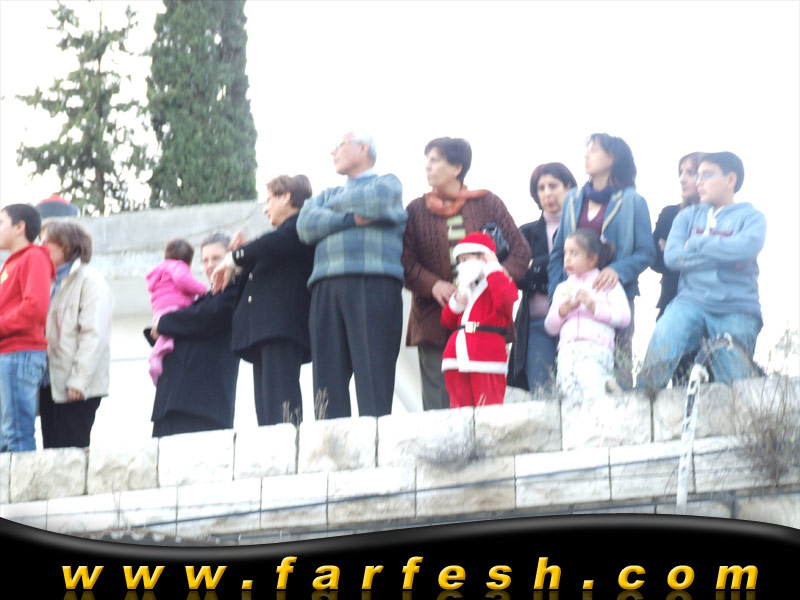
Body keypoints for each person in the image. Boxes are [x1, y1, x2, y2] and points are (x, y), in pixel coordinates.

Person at [402, 137, 531, 410]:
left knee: (486, 403)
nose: (427, 166)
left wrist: (491, 278)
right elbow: (403, 262)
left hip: (486, 321)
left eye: (435, 160)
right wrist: (433, 285)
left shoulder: (488, 203)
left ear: (457, 167)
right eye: (427, 160)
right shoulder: (415, 210)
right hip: (433, 318)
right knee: (439, 406)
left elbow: (521, 252)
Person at [296, 132, 408, 419]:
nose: (332, 152)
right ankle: (332, 442)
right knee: (326, 381)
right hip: (324, 288)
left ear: (363, 148)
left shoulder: (387, 184)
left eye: (340, 145)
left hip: (373, 282)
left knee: (374, 376)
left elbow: (377, 202)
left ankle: (378, 439)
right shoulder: (326, 194)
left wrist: (327, 216)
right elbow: (305, 225)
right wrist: (350, 219)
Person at [638, 152, 765, 390]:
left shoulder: (751, 217)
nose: (699, 182)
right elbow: (672, 257)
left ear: (730, 180)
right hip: (689, 302)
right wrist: (725, 254)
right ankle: (640, 402)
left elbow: (745, 250)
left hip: (737, 308)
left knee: (735, 388)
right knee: (660, 351)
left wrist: (697, 243)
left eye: (707, 175)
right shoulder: (686, 217)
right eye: (698, 176)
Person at [548, 133, 656, 387]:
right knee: (570, 372)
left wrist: (618, 269)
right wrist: (557, 294)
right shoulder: (573, 199)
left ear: (613, 157)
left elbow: (647, 252)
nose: (587, 154)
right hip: (573, 301)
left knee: (618, 369)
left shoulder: (633, 201)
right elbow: (557, 253)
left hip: (615, 296)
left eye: (594, 149)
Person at [210, 175, 315, 426]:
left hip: (281, 329)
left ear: (286, 197)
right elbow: (264, 250)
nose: (265, 209)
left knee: (282, 404)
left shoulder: (300, 226)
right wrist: (238, 262)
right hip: (263, 332)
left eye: (269, 200)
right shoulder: (275, 240)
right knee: (266, 411)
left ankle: (291, 445)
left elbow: (270, 244)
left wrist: (236, 257)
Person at [147, 231, 240, 437]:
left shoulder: (234, 292)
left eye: (216, 258)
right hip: (171, 405)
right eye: (205, 260)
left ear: (230, 258)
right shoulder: (203, 299)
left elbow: (205, 317)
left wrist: (163, 323)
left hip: (203, 406)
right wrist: (157, 330)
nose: (210, 265)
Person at [38, 219, 113, 448]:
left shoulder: (90, 280)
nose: (41, 248)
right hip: (50, 385)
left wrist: (79, 381)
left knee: (71, 455)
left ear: (66, 246)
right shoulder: (49, 282)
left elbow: (94, 335)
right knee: (51, 454)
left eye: (46, 242)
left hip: (76, 387)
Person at [507, 162, 577, 394]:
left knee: (576, 392)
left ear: (568, 188)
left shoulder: (581, 230)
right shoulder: (524, 233)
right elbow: (517, 277)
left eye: (553, 186)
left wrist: (536, 266)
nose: (547, 193)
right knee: (542, 393)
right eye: (541, 187)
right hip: (536, 324)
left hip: (577, 321)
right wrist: (550, 268)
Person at [545, 229, 631, 400]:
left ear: (592, 259)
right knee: (568, 400)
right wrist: (562, 311)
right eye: (566, 253)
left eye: (574, 253)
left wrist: (594, 308)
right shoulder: (562, 288)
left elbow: (624, 318)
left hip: (596, 349)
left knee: (594, 396)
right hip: (567, 352)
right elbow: (550, 327)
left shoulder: (607, 284)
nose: (567, 258)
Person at [441, 232, 519, 407]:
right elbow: (446, 321)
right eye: (459, 261)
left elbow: (506, 300)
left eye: (466, 259)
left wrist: (493, 270)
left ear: (483, 257)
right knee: (460, 412)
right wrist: (457, 302)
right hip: (456, 355)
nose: (461, 266)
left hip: (486, 356)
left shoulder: (500, 280)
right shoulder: (465, 287)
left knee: (489, 410)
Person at [0, 203, 54, 452]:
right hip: (8, 355)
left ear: (20, 227)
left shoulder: (34, 257)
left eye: (1, 222)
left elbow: (34, 309)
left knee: (17, 435)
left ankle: (25, 480)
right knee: (5, 438)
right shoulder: (11, 264)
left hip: (19, 354)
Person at [145, 239, 207, 385]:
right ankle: (155, 357)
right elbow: (183, 280)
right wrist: (202, 290)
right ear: (189, 262)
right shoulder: (179, 267)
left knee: (165, 334)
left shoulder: (159, 270)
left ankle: (159, 358)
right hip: (175, 305)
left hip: (159, 309)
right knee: (170, 335)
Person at [652, 152, 703, 319]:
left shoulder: (721, 219)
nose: (682, 179)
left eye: (690, 172)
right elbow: (656, 261)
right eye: (681, 172)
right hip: (671, 302)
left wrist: (674, 251)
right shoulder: (670, 214)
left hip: (708, 306)